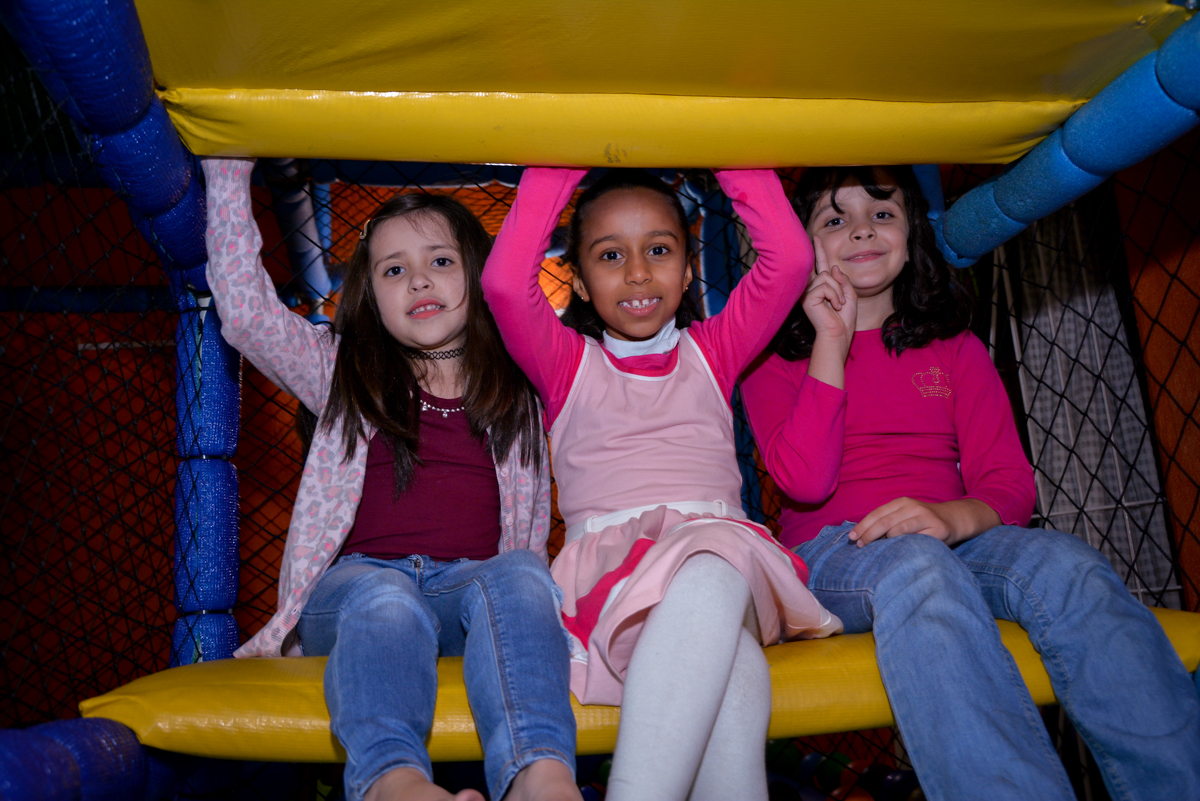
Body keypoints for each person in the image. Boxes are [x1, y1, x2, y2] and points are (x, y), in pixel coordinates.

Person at [739, 165, 1200, 801]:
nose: (863, 232)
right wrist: (831, 340)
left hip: (955, 542)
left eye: (883, 213)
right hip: (834, 555)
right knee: (919, 567)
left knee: (1069, 564)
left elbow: (1007, 481)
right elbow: (806, 481)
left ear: (911, 233)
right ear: (807, 245)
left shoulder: (953, 349)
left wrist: (954, 517)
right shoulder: (772, 359)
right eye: (834, 219)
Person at [202, 158, 581, 801]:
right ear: (371, 298)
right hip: (356, 593)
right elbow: (244, 315)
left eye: (440, 261)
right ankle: (392, 782)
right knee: (387, 598)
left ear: (478, 276)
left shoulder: (519, 384)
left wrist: (556, 168)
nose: (418, 281)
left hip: (469, 592)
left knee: (522, 574)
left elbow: (525, 285)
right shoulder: (342, 374)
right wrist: (228, 170)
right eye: (393, 270)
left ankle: (539, 774)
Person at [481, 166, 841, 801]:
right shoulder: (568, 366)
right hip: (616, 580)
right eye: (610, 255)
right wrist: (559, 165)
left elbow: (786, 260)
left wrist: (728, 152)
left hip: (721, 560)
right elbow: (506, 286)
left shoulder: (713, 351)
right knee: (737, 678)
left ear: (687, 267)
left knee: (711, 563)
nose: (639, 272)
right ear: (583, 284)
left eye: (659, 250)